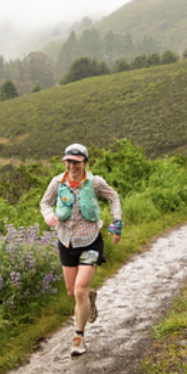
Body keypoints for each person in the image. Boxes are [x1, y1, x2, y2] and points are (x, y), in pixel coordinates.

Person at [40, 143, 122, 357]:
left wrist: (117, 222)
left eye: (76, 162)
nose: (72, 165)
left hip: (91, 241)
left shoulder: (95, 182)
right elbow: (44, 203)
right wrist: (48, 215)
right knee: (72, 291)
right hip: (66, 241)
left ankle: (78, 338)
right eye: (68, 161)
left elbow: (113, 197)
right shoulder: (57, 182)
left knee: (78, 291)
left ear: (85, 162)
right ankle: (89, 298)